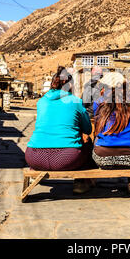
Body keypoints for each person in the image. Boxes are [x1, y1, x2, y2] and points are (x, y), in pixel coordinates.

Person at [25, 66, 93, 194]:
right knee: (88, 143)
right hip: (66, 158)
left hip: (34, 157)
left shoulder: (41, 102)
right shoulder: (75, 101)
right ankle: (80, 182)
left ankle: (36, 169)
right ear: (70, 86)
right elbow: (88, 130)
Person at [92, 72, 130, 193]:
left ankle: (89, 180)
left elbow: (97, 129)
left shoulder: (98, 103)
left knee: (92, 140)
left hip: (102, 158)